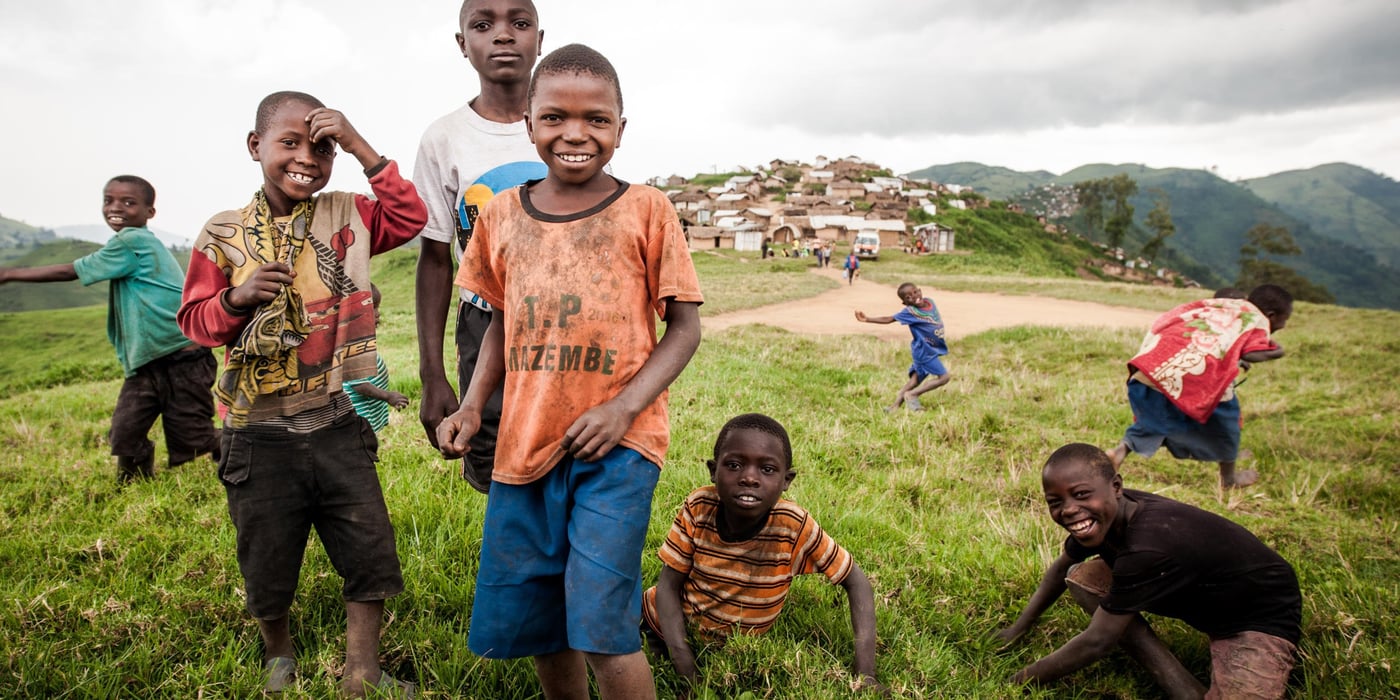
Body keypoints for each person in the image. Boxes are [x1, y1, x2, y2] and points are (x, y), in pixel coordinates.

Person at [436, 44, 703, 699]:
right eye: (555, 117)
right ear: (529, 123)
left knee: (600, 620)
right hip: (524, 446)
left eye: (597, 119)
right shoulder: (500, 216)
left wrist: (621, 409)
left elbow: (685, 327)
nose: (575, 134)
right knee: (539, 621)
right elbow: (499, 320)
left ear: (619, 129)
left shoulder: (646, 210)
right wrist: (472, 405)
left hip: (618, 447)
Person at [177, 91, 426, 697]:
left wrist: (360, 144)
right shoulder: (223, 234)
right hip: (256, 431)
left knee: (368, 546)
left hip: (336, 416)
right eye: (289, 143)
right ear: (255, 146)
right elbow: (194, 322)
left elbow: (411, 216)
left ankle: (362, 669)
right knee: (267, 556)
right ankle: (278, 654)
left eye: (321, 147)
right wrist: (237, 299)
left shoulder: (350, 214)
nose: (306, 158)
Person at [995, 443, 1301, 699]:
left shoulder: (1149, 545)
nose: (1069, 509)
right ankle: (1183, 687)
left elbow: (1096, 642)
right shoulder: (1111, 511)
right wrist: (1017, 629)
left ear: (1116, 486)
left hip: (1256, 614)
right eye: (1055, 502)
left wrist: (1016, 681)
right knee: (1083, 578)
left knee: (1106, 624)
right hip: (1201, 592)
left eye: (1081, 494)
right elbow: (1061, 566)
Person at [642, 413, 885, 694]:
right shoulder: (698, 508)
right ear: (713, 470)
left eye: (767, 469)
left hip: (734, 643)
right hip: (667, 620)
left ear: (787, 480)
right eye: (734, 465)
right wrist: (684, 662)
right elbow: (667, 586)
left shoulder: (793, 526)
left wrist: (866, 672)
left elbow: (855, 581)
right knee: (643, 655)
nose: (749, 478)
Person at [0, 175, 218, 484]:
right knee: (125, 430)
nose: (115, 208)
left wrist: (9, 273)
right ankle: (132, 484)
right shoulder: (134, 242)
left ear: (149, 212)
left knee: (194, 439)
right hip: (148, 362)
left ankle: (251, 455)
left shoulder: (133, 241)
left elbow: (69, 271)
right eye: (109, 200)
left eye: (128, 202)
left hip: (181, 358)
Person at [414, 0, 548, 493]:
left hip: (568, 317)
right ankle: (511, 558)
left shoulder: (568, 123)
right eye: (483, 24)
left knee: (561, 440)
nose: (503, 35)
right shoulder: (445, 139)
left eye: (519, 22)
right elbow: (434, 260)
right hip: (482, 318)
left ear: (540, 37)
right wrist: (432, 374)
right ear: (462, 43)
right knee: (492, 448)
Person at [1106, 285, 1292, 488]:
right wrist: (1276, 352)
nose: (1283, 326)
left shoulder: (1217, 306)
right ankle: (1228, 479)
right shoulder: (1256, 319)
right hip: (1196, 377)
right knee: (1227, 423)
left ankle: (1120, 451)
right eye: (1284, 320)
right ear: (1271, 315)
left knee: (1153, 420)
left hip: (1155, 369)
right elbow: (1250, 353)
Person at [855, 282, 951, 412]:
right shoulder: (910, 312)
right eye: (908, 297)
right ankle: (912, 395)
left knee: (914, 381)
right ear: (905, 303)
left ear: (920, 291)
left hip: (929, 349)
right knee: (944, 377)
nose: (913, 296)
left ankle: (894, 408)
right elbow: (889, 319)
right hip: (925, 352)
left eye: (915, 292)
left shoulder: (930, 302)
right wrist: (867, 319)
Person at [344, 284, 410, 432]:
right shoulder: (350, 346)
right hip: (360, 414)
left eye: (377, 308)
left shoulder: (361, 340)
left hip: (369, 410)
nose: (378, 314)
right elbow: (359, 385)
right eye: (372, 309)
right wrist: (388, 396)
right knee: (363, 446)